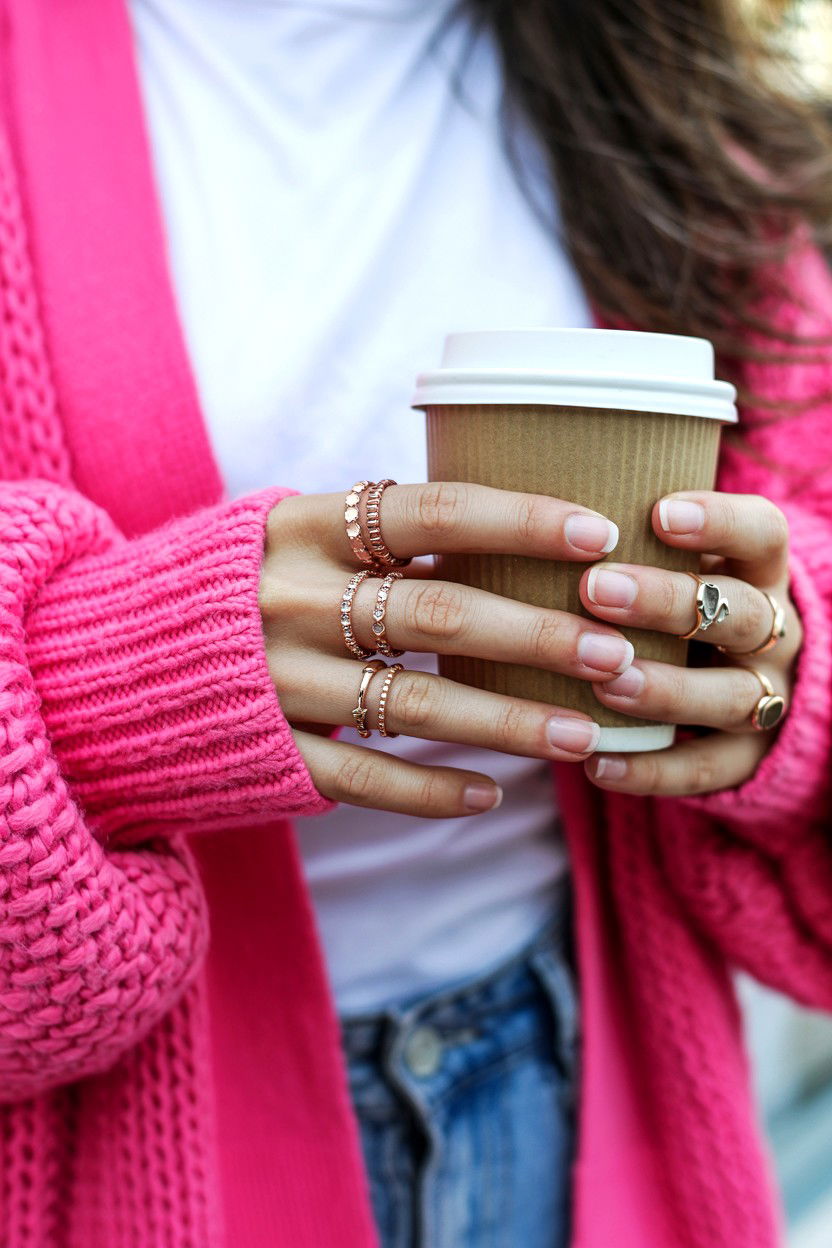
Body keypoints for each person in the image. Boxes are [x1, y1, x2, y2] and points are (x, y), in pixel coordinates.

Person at [0, 0, 830, 1245]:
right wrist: (114, 692)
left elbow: (803, 495)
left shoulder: (652, 51)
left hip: (573, 1090)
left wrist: (781, 673)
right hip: (124, 1163)